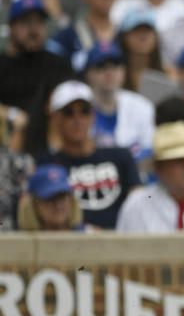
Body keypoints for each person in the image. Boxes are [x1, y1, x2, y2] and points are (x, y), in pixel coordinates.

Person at [38, 80, 140, 229]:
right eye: (68, 113)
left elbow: (138, 204)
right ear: (55, 118)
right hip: (71, 244)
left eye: (84, 111)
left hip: (120, 242)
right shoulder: (44, 164)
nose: (78, 119)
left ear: (93, 115)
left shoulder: (121, 156)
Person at [0, 0, 73, 155]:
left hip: (51, 149)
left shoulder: (57, 63)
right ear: (11, 26)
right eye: (26, 22)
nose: (34, 29)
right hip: (7, 149)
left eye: (39, 22)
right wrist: (11, 114)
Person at [85, 41, 155, 157]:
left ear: (124, 71)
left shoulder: (142, 106)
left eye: (116, 65)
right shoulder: (78, 106)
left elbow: (149, 150)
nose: (109, 73)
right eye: (101, 66)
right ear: (88, 73)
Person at [16, 164, 86, 231]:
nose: (58, 204)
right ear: (34, 204)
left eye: (62, 196)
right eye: (50, 198)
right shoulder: (19, 241)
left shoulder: (90, 235)